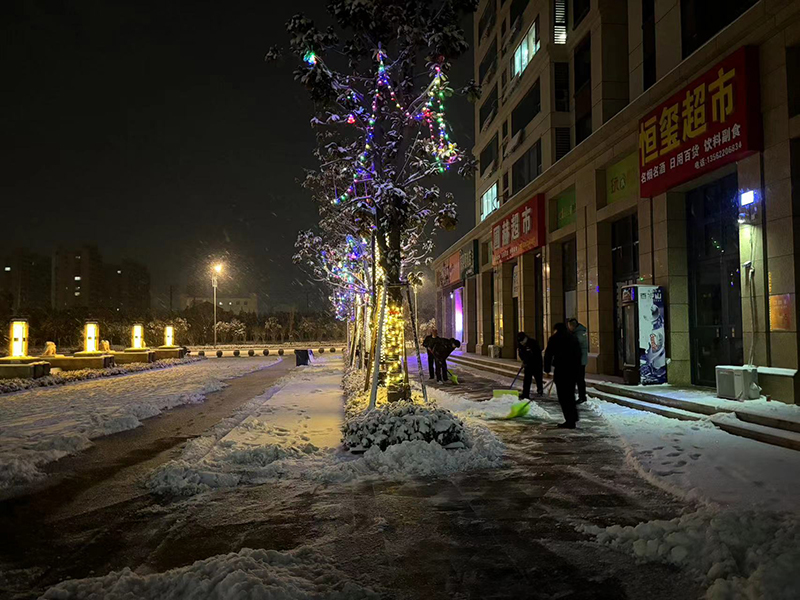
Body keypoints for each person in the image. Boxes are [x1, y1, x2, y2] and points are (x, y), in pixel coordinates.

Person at [544, 322, 582, 429]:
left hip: (561, 370)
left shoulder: (554, 338)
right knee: (570, 394)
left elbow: (548, 354)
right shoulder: (572, 337)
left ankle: (569, 420)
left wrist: (547, 369)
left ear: (556, 329)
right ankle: (573, 417)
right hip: (572, 370)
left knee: (563, 396)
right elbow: (578, 353)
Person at [567, 318, 588, 404]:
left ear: (572, 326)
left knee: (579, 379)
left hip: (579, 361)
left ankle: (582, 397)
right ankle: (581, 396)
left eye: (569, 326)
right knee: (578, 379)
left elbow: (576, 345)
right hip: (578, 360)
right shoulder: (578, 333)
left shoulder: (580, 333)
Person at [517, 331, 543, 399]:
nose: (521, 343)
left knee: (538, 378)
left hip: (536, 364)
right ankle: (525, 394)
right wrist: (523, 360)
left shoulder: (533, 343)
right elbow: (520, 353)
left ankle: (540, 390)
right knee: (527, 379)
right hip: (527, 365)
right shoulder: (520, 344)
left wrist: (529, 359)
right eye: (520, 341)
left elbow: (537, 354)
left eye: (522, 341)